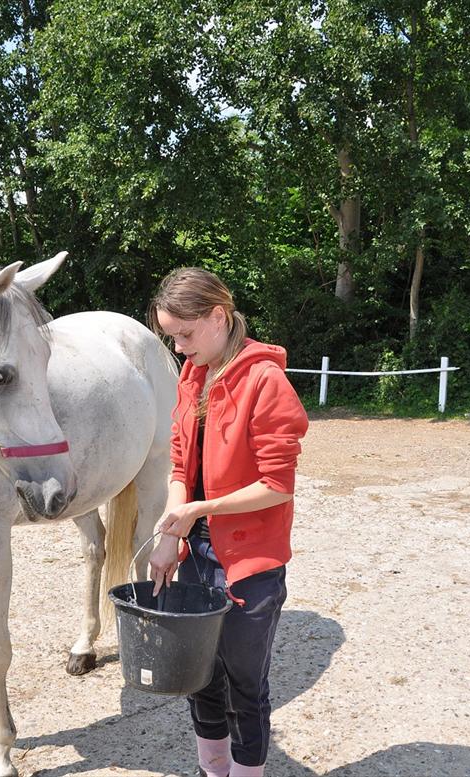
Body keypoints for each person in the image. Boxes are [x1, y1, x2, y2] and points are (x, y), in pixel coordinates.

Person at [147, 267, 309, 777]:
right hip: (195, 550)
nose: (178, 347)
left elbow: (277, 485)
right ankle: (211, 770)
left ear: (219, 316)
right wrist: (171, 531)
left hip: (248, 559)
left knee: (243, 681)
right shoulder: (192, 375)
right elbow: (180, 464)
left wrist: (200, 511)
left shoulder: (265, 380)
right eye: (171, 336)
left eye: (185, 334)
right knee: (200, 676)